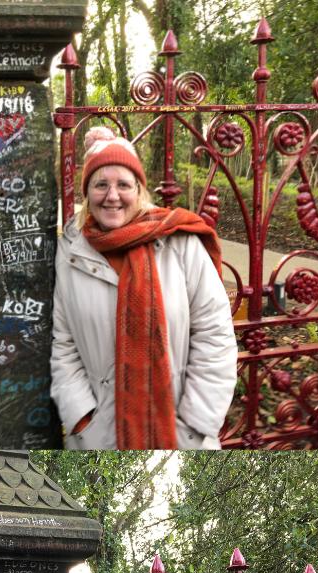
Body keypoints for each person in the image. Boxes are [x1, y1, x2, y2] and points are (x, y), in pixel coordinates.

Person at [50, 127, 237, 449]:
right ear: (87, 192)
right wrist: (82, 415)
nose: (112, 196)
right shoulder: (71, 252)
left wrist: (197, 420)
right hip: (100, 435)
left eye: (123, 184)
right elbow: (62, 343)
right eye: (101, 184)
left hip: (181, 430)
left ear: (139, 190)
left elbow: (215, 335)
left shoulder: (181, 243)